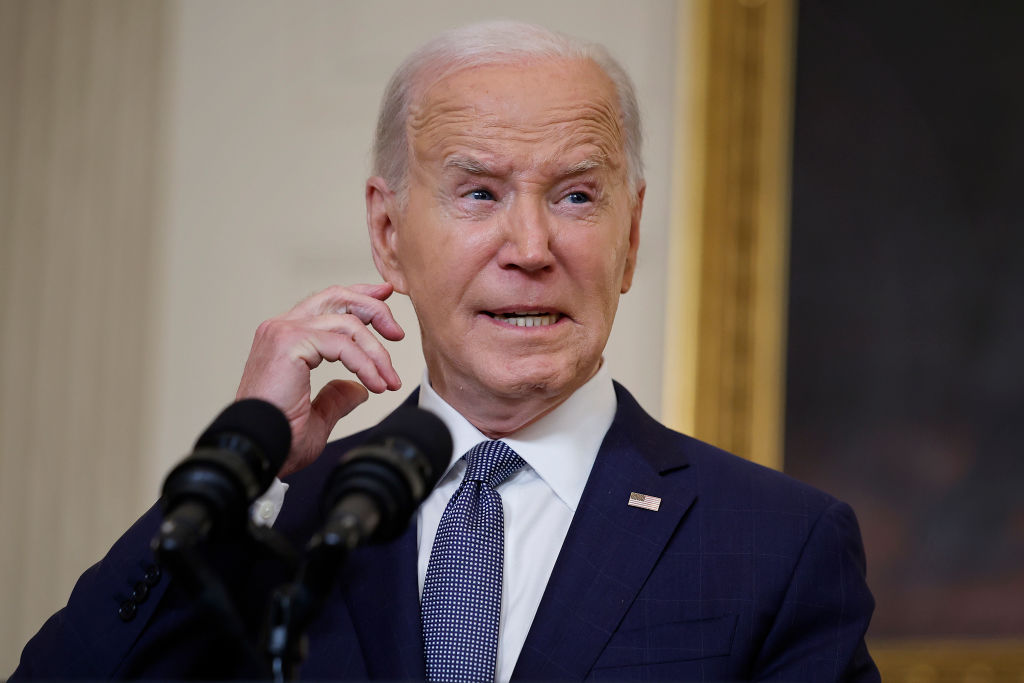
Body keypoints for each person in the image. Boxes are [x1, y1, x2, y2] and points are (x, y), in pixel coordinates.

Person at [12, 20, 879, 681]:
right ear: (388, 233)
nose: (532, 246)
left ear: (633, 234)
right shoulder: (283, 523)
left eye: (577, 195)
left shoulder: (779, 544)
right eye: (479, 192)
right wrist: (246, 470)